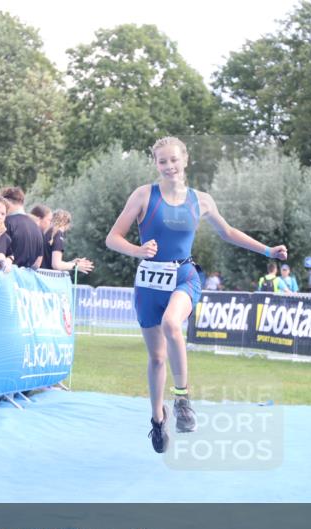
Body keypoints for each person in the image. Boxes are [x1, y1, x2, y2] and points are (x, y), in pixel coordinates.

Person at [106, 136, 287, 454]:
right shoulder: (144, 196)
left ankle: (183, 399)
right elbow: (112, 238)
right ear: (156, 164)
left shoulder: (200, 200)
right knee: (157, 358)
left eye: (173, 159)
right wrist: (138, 249)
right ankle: (157, 419)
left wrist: (268, 250)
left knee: (172, 324)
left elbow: (228, 232)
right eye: (162, 161)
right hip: (149, 282)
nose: (169, 166)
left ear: (185, 159)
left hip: (184, 275)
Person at [0, 186, 44, 268]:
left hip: (6, 275)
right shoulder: (36, 227)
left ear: (7, 201)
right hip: (26, 278)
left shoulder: (6, 222)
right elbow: (37, 263)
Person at [40, 209, 94, 274]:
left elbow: (48, 263)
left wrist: (71, 263)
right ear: (66, 223)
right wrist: (76, 266)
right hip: (46, 278)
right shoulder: (58, 234)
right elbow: (56, 265)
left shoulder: (46, 233)